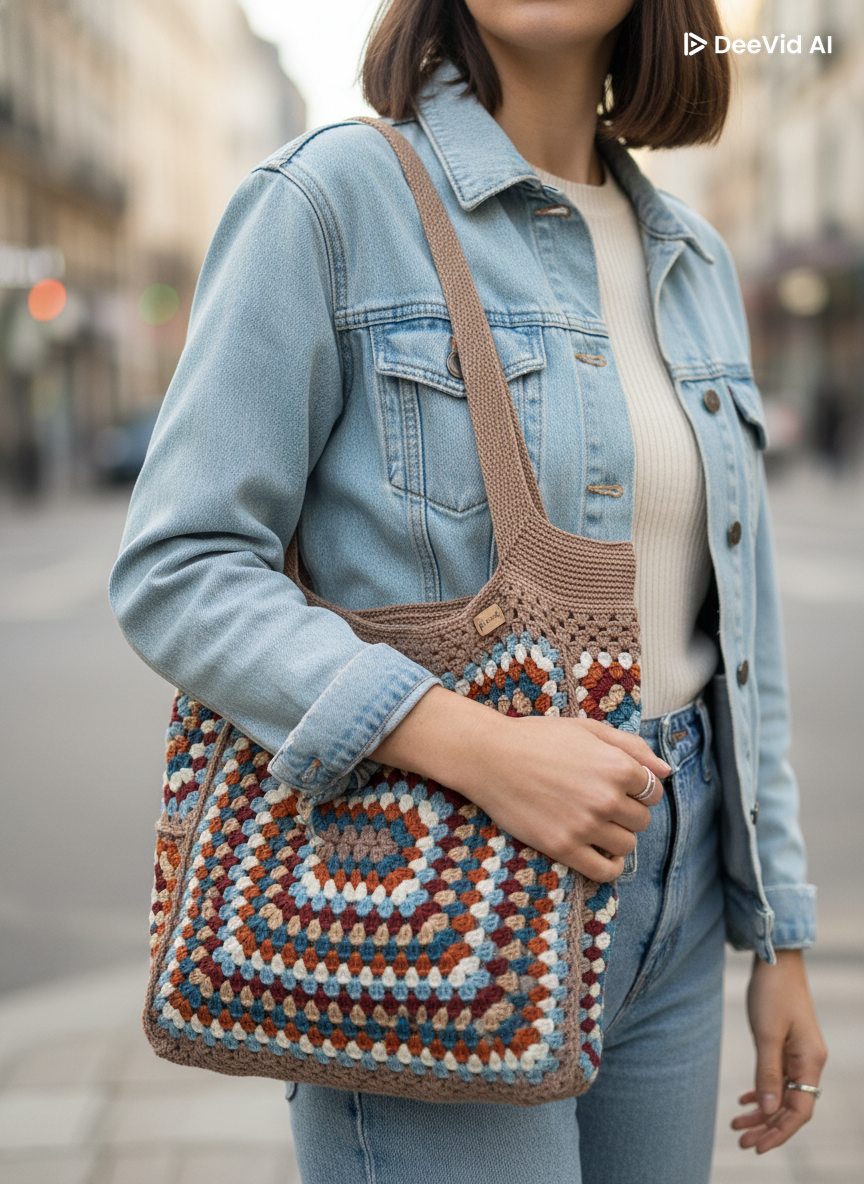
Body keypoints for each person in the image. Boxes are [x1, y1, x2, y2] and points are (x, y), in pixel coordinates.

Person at [109, 1, 827, 1180]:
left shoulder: (691, 256)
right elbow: (178, 565)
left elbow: (739, 629)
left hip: (676, 878)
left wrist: (777, 930)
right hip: (433, 873)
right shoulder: (332, 198)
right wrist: (478, 745)